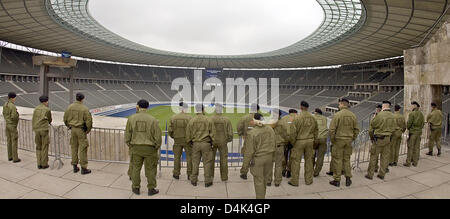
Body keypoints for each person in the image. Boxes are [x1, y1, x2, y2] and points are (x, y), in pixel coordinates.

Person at [125, 100, 161, 196]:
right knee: (150, 169)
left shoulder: (131, 118)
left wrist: (130, 145)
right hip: (150, 148)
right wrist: (156, 147)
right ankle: (151, 189)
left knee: (136, 168)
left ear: (138, 106)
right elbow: (158, 136)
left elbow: (127, 134)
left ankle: (136, 188)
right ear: (147, 107)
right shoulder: (153, 119)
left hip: (135, 147)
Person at [243, 113, 276, 199]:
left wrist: (244, 168)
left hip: (259, 159)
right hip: (269, 157)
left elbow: (249, 152)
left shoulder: (252, 132)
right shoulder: (270, 129)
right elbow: (274, 144)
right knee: (264, 180)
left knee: (259, 181)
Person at [329, 98, 359, 187]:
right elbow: (356, 129)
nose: (338, 106)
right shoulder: (353, 115)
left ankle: (337, 180)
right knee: (346, 159)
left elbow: (331, 130)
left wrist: (333, 140)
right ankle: (348, 179)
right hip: (348, 140)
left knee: (337, 160)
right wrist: (352, 138)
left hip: (338, 140)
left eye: (339, 104)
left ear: (342, 104)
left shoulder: (337, 115)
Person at [288, 101, 318, 187]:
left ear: (301, 107)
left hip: (299, 141)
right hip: (310, 141)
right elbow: (316, 130)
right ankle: (308, 180)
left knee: (296, 162)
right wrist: (314, 141)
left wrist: (294, 143)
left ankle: (294, 181)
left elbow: (293, 133)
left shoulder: (297, 118)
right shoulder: (313, 118)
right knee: (309, 161)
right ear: (307, 108)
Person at [186, 104, 216, 187]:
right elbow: (213, 134)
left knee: (195, 163)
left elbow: (188, 135)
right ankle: (207, 181)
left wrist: (190, 143)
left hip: (195, 144)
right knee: (207, 163)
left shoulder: (192, 120)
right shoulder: (208, 120)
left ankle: (194, 180)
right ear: (203, 109)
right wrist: (212, 143)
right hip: (206, 144)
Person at [365, 101, 396, 180]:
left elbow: (373, 124)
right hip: (388, 138)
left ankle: (370, 174)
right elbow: (394, 128)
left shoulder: (380, 115)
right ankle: (382, 174)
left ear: (383, 106)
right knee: (384, 157)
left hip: (379, 139)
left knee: (374, 157)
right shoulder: (393, 116)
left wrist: (374, 117)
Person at [63, 93, 93, 174]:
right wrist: (87, 131)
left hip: (73, 129)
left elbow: (65, 119)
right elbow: (89, 122)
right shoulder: (84, 108)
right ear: (83, 99)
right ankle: (83, 168)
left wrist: (69, 126)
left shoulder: (70, 107)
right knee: (83, 149)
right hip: (81, 130)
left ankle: (75, 167)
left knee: (74, 147)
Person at [168, 102, 193, 180]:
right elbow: (192, 130)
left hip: (177, 139)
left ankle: (176, 173)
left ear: (179, 108)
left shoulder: (173, 117)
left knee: (177, 157)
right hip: (187, 140)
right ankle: (190, 173)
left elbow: (170, 130)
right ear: (186, 108)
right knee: (189, 157)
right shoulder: (190, 118)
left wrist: (174, 136)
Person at [210, 103, 233, 182]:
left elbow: (208, 131)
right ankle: (224, 177)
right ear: (221, 109)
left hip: (213, 141)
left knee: (211, 159)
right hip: (223, 141)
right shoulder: (226, 119)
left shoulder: (210, 119)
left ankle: (210, 176)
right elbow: (230, 133)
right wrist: (227, 140)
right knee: (223, 160)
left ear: (215, 109)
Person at [267, 109, 289, 187]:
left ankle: (268, 181)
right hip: (280, 145)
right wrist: (285, 143)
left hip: (270, 146)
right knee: (279, 165)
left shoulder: (269, 122)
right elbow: (286, 135)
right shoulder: (283, 123)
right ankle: (277, 182)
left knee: (269, 164)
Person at [238, 103, 260, 180]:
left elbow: (239, 127)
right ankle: (256, 172)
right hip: (259, 139)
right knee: (258, 156)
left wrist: (242, 134)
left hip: (248, 138)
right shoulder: (261, 117)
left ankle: (244, 173)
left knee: (247, 156)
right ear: (257, 109)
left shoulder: (245, 117)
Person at [32, 96, 52, 169]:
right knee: (44, 146)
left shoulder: (36, 109)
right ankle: (44, 164)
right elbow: (49, 119)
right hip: (44, 129)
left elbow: (33, 118)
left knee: (38, 147)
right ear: (45, 101)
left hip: (36, 129)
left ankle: (39, 163)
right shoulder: (47, 109)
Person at [404, 101, 425, 167]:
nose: (411, 106)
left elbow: (409, 123)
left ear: (415, 106)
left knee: (410, 147)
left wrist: (409, 128)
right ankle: (415, 162)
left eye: (412, 105)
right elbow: (422, 123)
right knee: (416, 148)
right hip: (418, 132)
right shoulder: (421, 114)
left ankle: (408, 162)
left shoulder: (412, 114)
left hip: (413, 132)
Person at [2, 92, 20, 163]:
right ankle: (15, 158)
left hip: (7, 124)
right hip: (12, 125)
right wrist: (17, 116)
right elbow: (14, 116)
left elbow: (3, 113)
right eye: (15, 98)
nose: (15, 99)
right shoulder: (12, 106)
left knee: (9, 141)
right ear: (12, 98)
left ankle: (10, 156)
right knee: (14, 141)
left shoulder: (5, 104)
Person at [313, 108, 329, 177]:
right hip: (323, 138)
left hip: (314, 138)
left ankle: (310, 169)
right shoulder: (325, 118)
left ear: (315, 112)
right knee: (320, 157)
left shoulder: (312, 117)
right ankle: (316, 172)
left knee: (311, 155)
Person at [283, 109, 297, 178]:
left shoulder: (284, 118)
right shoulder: (298, 118)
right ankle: (289, 170)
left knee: (284, 155)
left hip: (285, 139)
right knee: (292, 156)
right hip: (294, 139)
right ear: (295, 113)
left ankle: (283, 170)